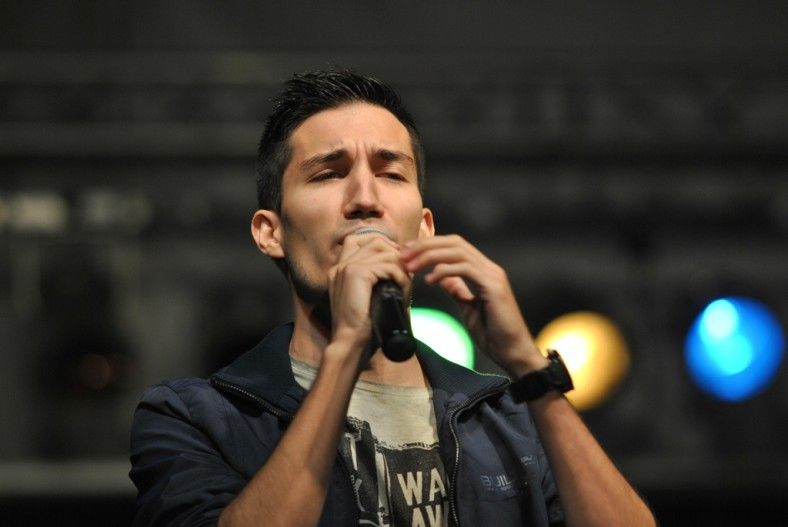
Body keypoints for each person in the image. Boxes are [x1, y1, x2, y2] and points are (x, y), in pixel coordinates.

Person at [129, 70, 656, 527]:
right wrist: (346, 351)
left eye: (391, 174)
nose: (365, 199)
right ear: (272, 233)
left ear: (424, 228)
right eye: (329, 174)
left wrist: (527, 367)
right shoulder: (195, 417)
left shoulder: (507, 417)